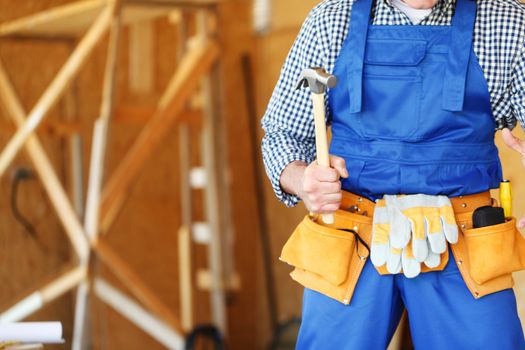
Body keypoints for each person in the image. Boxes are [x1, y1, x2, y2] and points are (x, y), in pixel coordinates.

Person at [261, 0, 525, 348]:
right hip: (351, 236)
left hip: (465, 237)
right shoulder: (331, 20)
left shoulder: (507, 22)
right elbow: (283, 133)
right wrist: (301, 179)